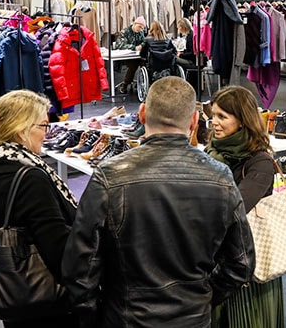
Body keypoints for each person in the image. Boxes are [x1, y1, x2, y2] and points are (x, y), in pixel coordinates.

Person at [62, 77, 254, 327]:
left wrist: (97, 315)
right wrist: (202, 299)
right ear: (194, 121)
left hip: (125, 317)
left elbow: (80, 266)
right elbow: (241, 264)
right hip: (192, 318)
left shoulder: (110, 176)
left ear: (142, 114)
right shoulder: (220, 177)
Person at [0, 90, 79, 328]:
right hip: (47, 303)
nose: (47, 132)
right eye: (43, 125)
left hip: (17, 294)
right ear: (22, 131)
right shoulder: (31, 178)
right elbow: (57, 249)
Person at [206, 86, 284, 328]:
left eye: (222, 116)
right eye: (213, 115)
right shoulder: (213, 150)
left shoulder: (260, 162)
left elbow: (233, 209)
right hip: (215, 257)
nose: (214, 122)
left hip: (247, 263)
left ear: (242, 120)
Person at [113, 16, 147, 94]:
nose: (140, 29)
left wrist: (141, 46)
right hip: (125, 56)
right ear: (134, 24)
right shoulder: (125, 32)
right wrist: (134, 47)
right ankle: (125, 84)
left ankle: (142, 82)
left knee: (146, 62)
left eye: (142, 28)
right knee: (134, 64)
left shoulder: (140, 32)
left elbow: (144, 42)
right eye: (139, 27)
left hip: (136, 56)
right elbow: (120, 44)